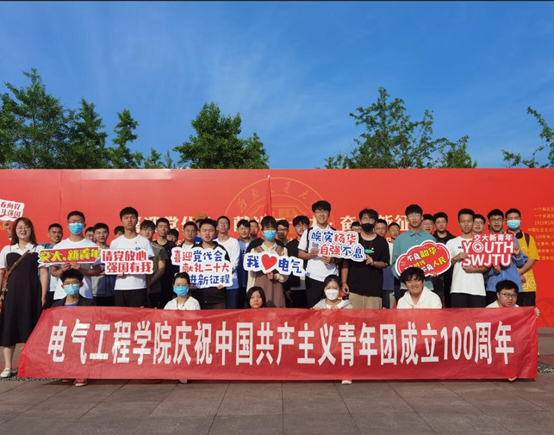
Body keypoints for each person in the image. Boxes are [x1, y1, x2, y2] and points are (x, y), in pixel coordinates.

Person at [0, 217, 48, 378]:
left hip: (32, 292)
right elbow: (1, 272)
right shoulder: (7, 249)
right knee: (9, 327)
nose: (23, 230)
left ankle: (29, 364)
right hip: (12, 293)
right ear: (15, 230)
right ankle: (8, 366)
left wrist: (43, 295)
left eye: (26, 227)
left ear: (31, 230)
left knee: (30, 326)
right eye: (19, 227)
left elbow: (43, 273)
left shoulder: (39, 249)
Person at [52, 269, 95, 387]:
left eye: (74, 283)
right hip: (64, 336)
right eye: (67, 284)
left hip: (82, 336)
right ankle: (68, 370)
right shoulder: (56, 306)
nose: (70, 286)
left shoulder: (89, 304)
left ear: (81, 284)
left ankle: (81, 372)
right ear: (62, 286)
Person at [341, 209, 390, 309]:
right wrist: (344, 282)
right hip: (354, 290)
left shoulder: (381, 241)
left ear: (375, 222)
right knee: (353, 318)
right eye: (365, 218)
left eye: (371, 219)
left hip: (374, 291)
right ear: (360, 221)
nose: (367, 221)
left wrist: (373, 263)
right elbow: (346, 263)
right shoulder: (353, 240)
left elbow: (385, 263)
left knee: (373, 318)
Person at [50, 211, 101, 303]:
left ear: (84, 225)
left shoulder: (92, 246)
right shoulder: (59, 247)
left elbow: (97, 271)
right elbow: (53, 272)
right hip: (62, 294)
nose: (76, 224)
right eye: (73, 222)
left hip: (84, 294)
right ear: (68, 225)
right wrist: (62, 270)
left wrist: (81, 269)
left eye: (79, 221)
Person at [110, 207, 155, 308]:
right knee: (121, 316)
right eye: (126, 218)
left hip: (139, 286)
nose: (129, 220)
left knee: (138, 316)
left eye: (132, 217)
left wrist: (148, 286)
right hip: (120, 287)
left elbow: (150, 267)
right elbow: (110, 265)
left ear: (137, 220)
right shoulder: (115, 243)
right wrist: (116, 271)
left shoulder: (144, 242)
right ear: (121, 221)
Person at [312, 275, 353, 386]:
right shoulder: (320, 304)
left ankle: (345, 373)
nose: (331, 291)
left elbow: (353, 319)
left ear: (339, 290)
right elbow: (310, 318)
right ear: (324, 289)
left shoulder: (346, 305)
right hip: (325, 337)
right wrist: (314, 312)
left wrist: (340, 313)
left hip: (341, 337)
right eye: (328, 288)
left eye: (335, 288)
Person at [298, 200, 340, 307]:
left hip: (332, 277)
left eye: (325, 211)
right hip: (313, 277)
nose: (322, 214)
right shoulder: (308, 232)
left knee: (331, 309)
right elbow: (300, 253)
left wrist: (333, 259)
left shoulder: (336, 233)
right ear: (314, 214)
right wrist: (310, 255)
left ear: (329, 214)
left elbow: (342, 257)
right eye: (318, 211)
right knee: (314, 309)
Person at [392, 204, 436, 301]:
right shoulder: (400, 239)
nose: (414, 218)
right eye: (411, 215)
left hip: (427, 285)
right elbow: (395, 264)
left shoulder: (430, 239)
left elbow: (435, 261)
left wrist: (436, 271)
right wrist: (405, 278)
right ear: (407, 219)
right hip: (406, 287)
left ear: (421, 217)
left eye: (417, 215)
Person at [485, 209, 528, 305]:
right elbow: (481, 266)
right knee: (493, 314)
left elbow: (521, 264)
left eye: (499, 219)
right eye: (493, 220)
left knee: (516, 314)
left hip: (514, 287)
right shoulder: (485, 241)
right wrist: (492, 270)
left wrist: (517, 255)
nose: (496, 222)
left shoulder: (512, 239)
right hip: (493, 287)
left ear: (504, 222)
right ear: (489, 222)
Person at [163, 271, 200, 384]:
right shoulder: (169, 304)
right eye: (178, 285)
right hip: (172, 338)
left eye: (183, 285)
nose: (180, 287)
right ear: (173, 286)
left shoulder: (194, 303)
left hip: (187, 338)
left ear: (188, 286)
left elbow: (195, 323)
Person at [447, 209, 487, 308]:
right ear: (458, 223)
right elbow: (446, 265)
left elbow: (487, 265)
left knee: (478, 318)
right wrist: (456, 258)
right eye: (463, 221)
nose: (466, 224)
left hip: (478, 289)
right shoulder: (451, 242)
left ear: (473, 222)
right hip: (458, 289)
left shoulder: (482, 242)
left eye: (469, 221)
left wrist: (474, 270)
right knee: (458, 318)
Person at [246, 216, 287, 308]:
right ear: (262, 231)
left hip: (276, 287)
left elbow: (285, 275)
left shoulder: (282, 250)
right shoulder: (255, 251)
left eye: (272, 229)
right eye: (267, 229)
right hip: (259, 288)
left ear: (276, 231)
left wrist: (276, 276)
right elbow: (251, 275)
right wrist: (249, 292)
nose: (270, 231)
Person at [505, 208, 540, 307]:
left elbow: (532, 258)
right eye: (510, 219)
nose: (513, 220)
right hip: (507, 286)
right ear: (506, 221)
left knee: (527, 314)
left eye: (516, 218)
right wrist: (514, 275)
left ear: (520, 220)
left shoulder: (528, 238)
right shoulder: (501, 238)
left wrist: (520, 272)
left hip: (527, 286)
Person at [194, 219, 229, 309]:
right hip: (198, 297)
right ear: (199, 232)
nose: (207, 233)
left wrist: (224, 282)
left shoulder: (221, 250)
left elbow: (227, 270)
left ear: (216, 232)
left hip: (217, 297)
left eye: (210, 230)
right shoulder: (194, 250)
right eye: (204, 230)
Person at [140, 220, 167, 308]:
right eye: (145, 229)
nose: (147, 232)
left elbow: (161, 269)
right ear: (140, 231)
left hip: (154, 288)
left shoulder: (160, 249)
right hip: (138, 285)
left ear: (154, 231)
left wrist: (149, 283)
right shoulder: (134, 247)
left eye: (150, 229)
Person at [285, 215, 310, 308]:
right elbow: (286, 268)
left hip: (311, 283)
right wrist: (287, 287)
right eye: (298, 225)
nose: (301, 228)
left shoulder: (313, 244)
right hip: (295, 284)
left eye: (304, 225)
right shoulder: (289, 246)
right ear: (294, 228)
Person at [216, 216, 241, 309]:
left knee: (231, 311)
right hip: (216, 283)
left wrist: (223, 274)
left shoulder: (234, 242)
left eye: (225, 223)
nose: (223, 225)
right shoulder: (213, 243)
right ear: (217, 227)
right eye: (220, 223)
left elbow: (235, 263)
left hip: (231, 283)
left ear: (229, 227)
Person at [153, 218, 179, 307]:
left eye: (165, 227)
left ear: (168, 229)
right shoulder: (152, 245)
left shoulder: (173, 246)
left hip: (168, 281)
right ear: (156, 229)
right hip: (154, 281)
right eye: (160, 227)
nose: (163, 229)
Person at [433, 212, 456, 308]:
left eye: (443, 222)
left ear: (447, 223)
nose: (441, 224)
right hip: (436, 277)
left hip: (452, 276)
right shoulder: (431, 240)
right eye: (438, 222)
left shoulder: (454, 240)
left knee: (451, 303)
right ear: (435, 224)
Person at [91, 223, 116, 307]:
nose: (101, 235)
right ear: (94, 234)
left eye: (104, 232)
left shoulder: (114, 251)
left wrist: (109, 270)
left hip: (112, 291)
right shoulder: (90, 251)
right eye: (98, 233)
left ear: (108, 233)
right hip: (95, 290)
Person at [41, 223, 64, 308]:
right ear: (48, 234)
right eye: (54, 232)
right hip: (46, 289)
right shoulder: (43, 248)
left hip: (61, 289)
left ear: (62, 234)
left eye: (59, 232)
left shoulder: (66, 248)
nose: (56, 235)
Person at [375, 219, 395, 309]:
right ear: (374, 229)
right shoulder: (369, 245)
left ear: (386, 230)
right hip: (374, 284)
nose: (380, 231)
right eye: (378, 228)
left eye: (383, 228)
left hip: (388, 283)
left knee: (388, 311)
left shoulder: (391, 246)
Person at [236, 219, 252, 309]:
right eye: (241, 229)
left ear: (250, 230)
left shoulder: (255, 243)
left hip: (251, 279)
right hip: (238, 280)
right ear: (237, 230)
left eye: (246, 228)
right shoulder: (235, 243)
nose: (244, 231)